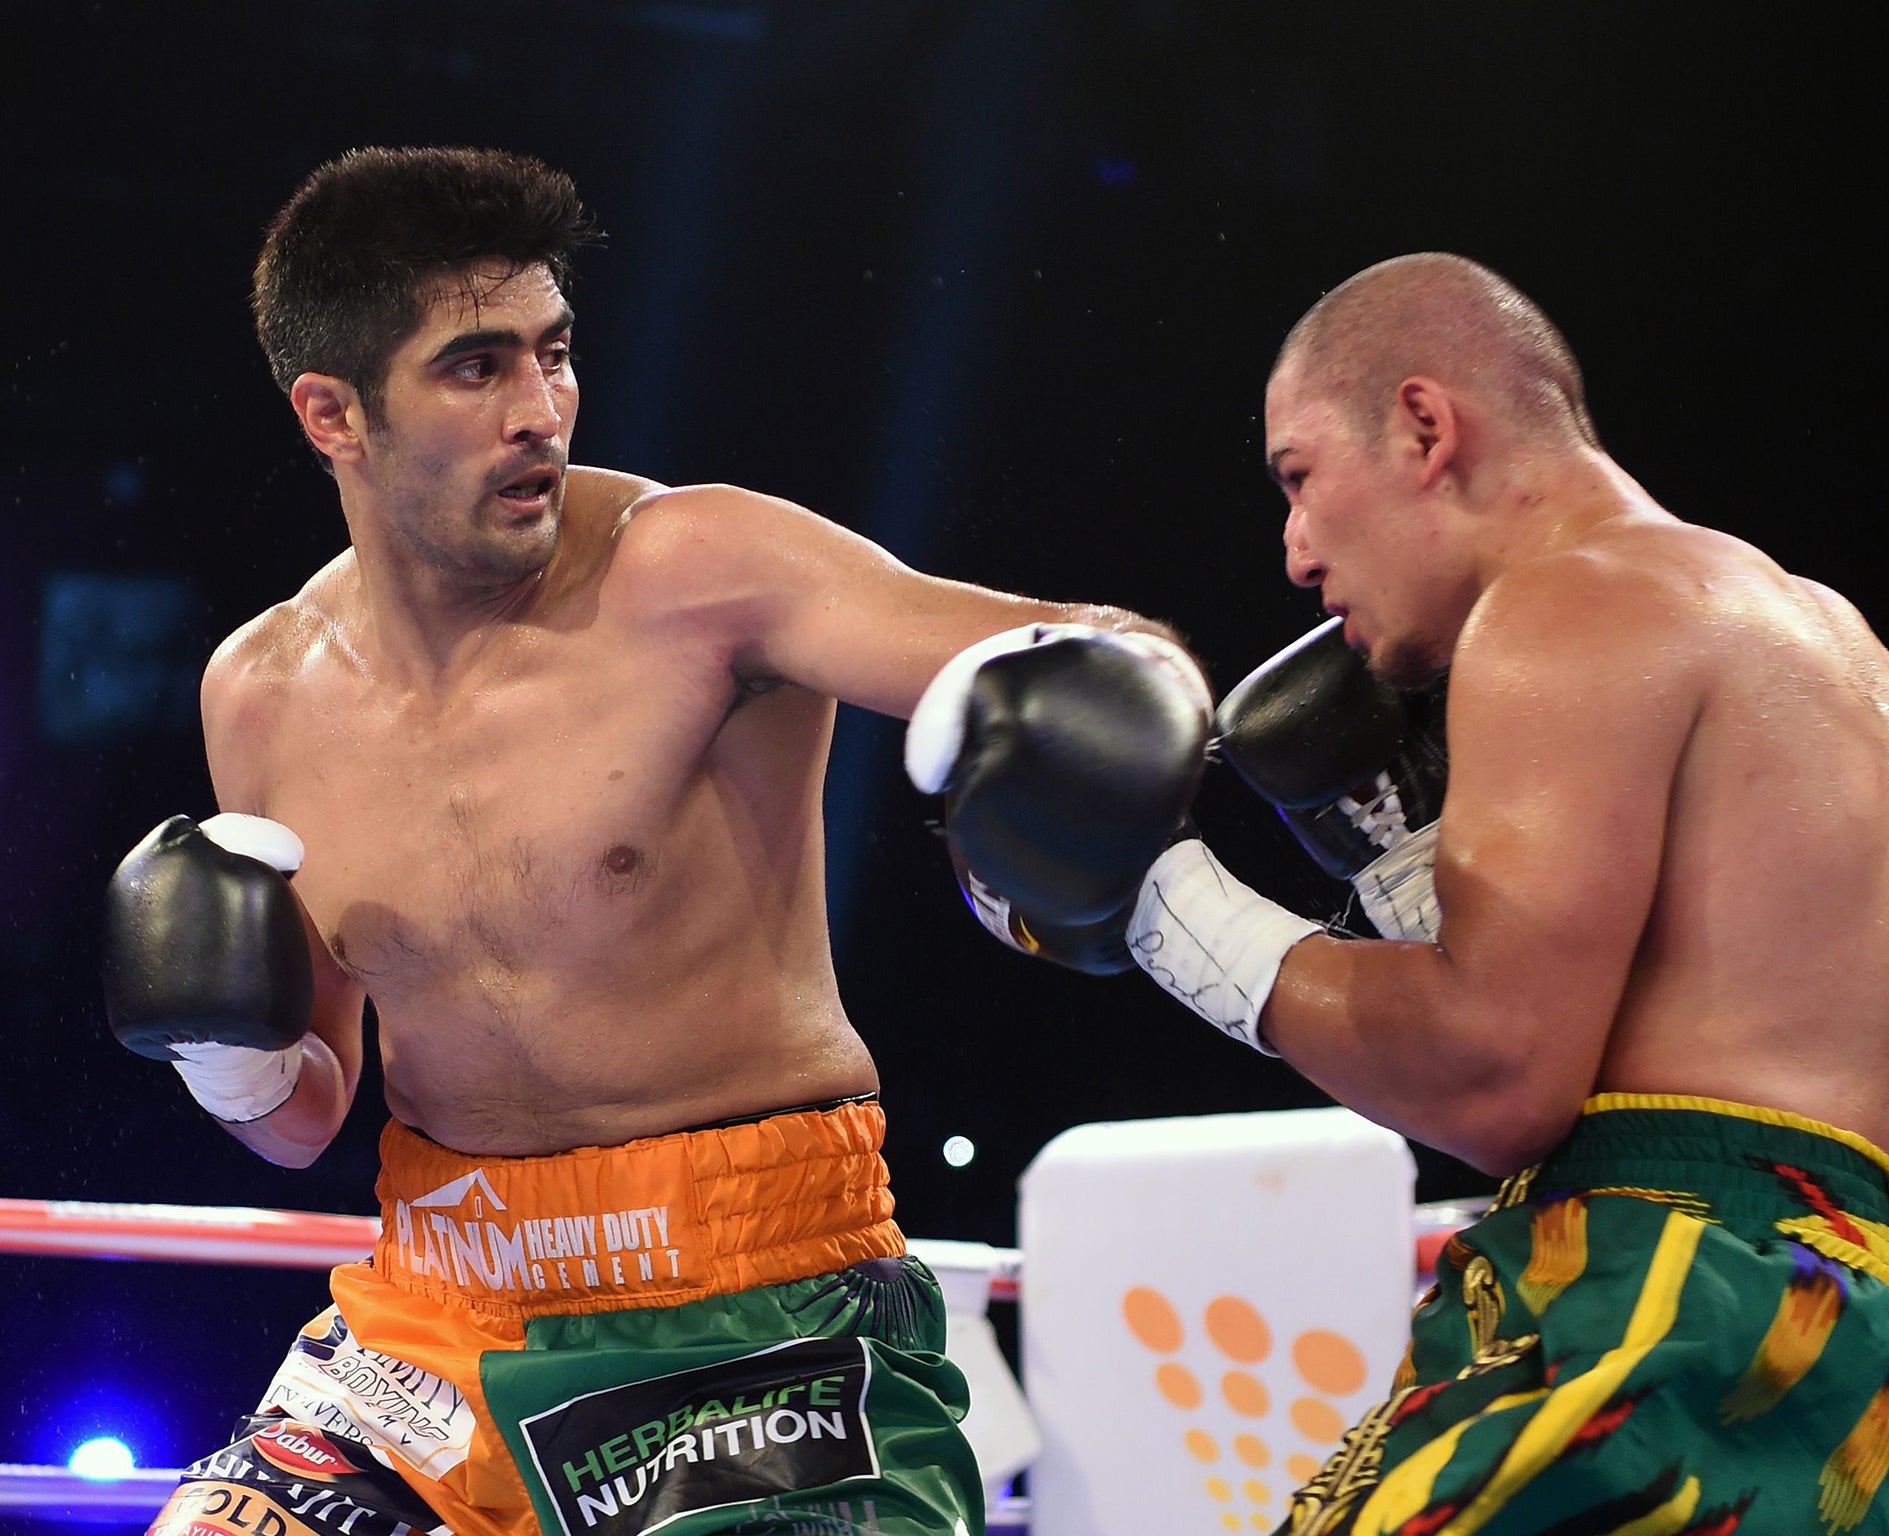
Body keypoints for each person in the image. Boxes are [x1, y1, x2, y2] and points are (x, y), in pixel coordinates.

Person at [100, 145, 1213, 1536]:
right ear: (332, 413)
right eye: (476, 367)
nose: (541, 411)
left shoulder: (697, 572)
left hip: (752, 1310)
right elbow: (311, 1109)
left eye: (554, 355)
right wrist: (231, 1054)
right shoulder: (259, 691)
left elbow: (1109, 658)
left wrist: (1078, 716)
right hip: (435, 1325)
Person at [922, 253, 1889, 1533]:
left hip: (1659, 1314)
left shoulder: (1570, 605)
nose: (1296, 552)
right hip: (1858, 1370)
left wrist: (1152, 897)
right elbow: (1642, 1048)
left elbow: (1494, 1075)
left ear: (1425, 426)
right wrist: (1403, 876)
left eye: (1298, 478)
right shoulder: (1840, 656)